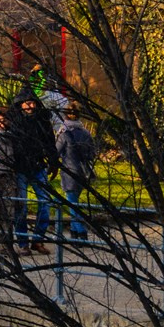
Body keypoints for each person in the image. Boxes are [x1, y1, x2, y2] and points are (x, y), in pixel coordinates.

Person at [8, 94, 59, 247]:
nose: (30, 106)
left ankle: (38, 239)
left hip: (38, 165)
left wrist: (53, 162)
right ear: (21, 104)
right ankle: (23, 242)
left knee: (45, 203)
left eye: (32, 103)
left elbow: (50, 142)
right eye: (27, 103)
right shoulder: (13, 122)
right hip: (19, 167)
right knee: (21, 206)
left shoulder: (42, 121)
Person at [50, 93, 95, 242]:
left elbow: (56, 152)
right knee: (74, 202)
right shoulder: (86, 133)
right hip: (83, 172)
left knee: (72, 205)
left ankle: (81, 232)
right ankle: (74, 232)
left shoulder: (64, 133)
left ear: (65, 115)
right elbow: (92, 153)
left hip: (69, 172)